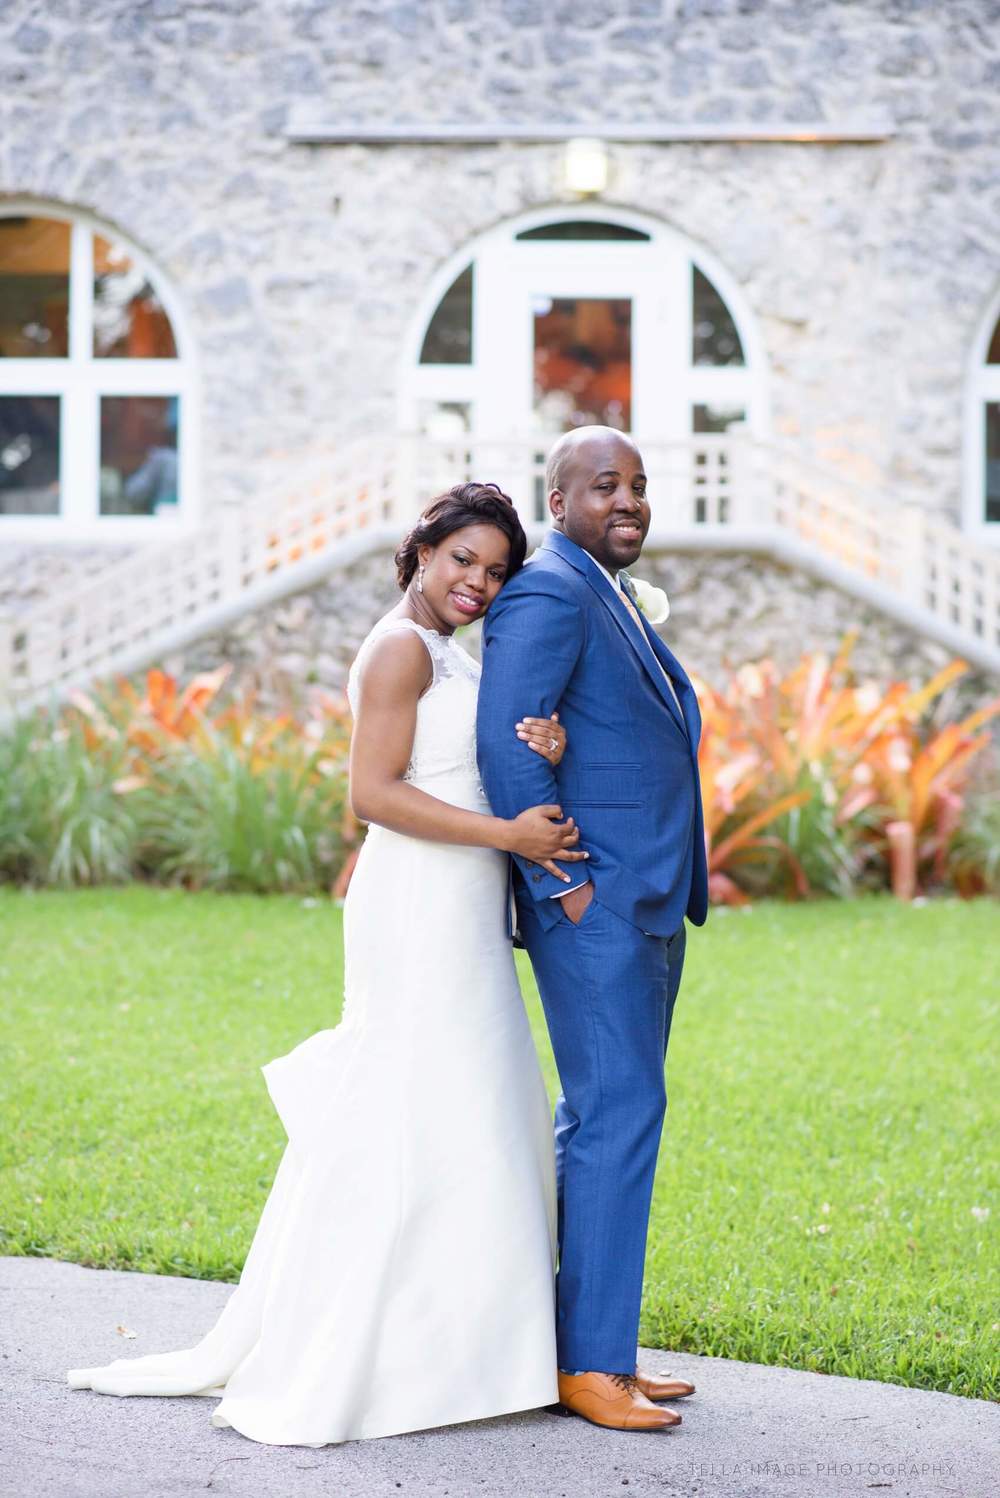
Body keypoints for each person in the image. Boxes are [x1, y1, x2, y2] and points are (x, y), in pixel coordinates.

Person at [67, 481, 591, 1446]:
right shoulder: (398, 648)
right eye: (462, 560)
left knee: (470, 1101)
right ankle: (372, 1351)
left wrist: (541, 745)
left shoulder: (447, 651)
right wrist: (510, 834)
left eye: (496, 570)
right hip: (416, 901)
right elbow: (373, 795)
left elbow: (465, 759)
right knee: (418, 1101)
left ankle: (470, 1348)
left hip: (459, 899)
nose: (478, 582)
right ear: (421, 553)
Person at [477, 425, 708, 1433]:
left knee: (609, 1116)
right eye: (604, 484)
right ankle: (591, 1366)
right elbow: (505, 737)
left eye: (639, 486)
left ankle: (587, 1343)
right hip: (596, 900)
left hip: (651, 895)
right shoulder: (546, 589)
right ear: (557, 498)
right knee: (618, 1111)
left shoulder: (605, 591)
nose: (628, 500)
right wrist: (563, 883)